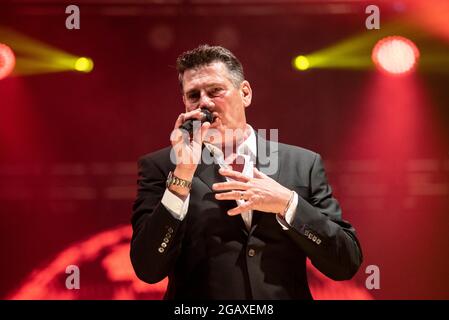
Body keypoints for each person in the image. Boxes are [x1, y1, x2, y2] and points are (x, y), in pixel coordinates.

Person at [130, 45, 363, 300]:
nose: (204, 102)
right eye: (193, 95)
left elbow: (345, 262)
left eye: (215, 90)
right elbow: (148, 269)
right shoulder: (162, 167)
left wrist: (288, 204)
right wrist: (183, 175)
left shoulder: (301, 163)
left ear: (245, 93)